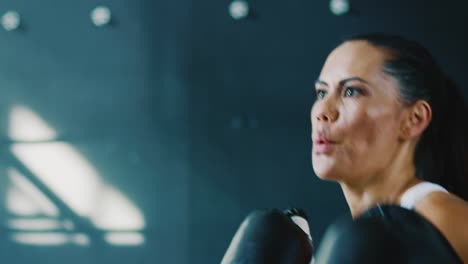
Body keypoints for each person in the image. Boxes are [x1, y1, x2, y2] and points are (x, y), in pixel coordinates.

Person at [311, 33, 468, 262]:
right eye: (321, 92)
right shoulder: (366, 232)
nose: (323, 111)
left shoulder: (440, 218)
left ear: (413, 119)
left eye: (351, 91)